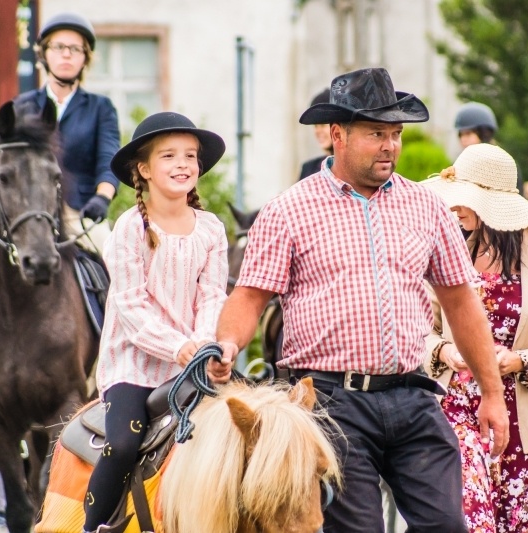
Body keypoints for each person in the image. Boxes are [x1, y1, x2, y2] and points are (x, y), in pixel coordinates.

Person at [211, 67, 509, 533]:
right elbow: (250, 297)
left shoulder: (427, 206)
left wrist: (492, 393)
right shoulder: (288, 210)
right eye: (376, 133)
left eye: (396, 133)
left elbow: (461, 301)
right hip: (330, 405)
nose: (390, 145)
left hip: (414, 397)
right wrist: (227, 344)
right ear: (337, 135)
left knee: (447, 525)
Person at [421, 144, 528, 531]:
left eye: (464, 199)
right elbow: (422, 330)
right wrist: (445, 352)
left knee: (514, 525)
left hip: (523, 414)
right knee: (471, 520)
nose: (455, 208)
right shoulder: (448, 251)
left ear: (490, 203)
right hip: (456, 408)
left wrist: (521, 361)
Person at [81, 112, 227, 533]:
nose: (183, 164)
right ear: (143, 170)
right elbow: (130, 307)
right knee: (124, 443)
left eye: (190, 156)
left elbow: (213, 296)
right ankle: (93, 526)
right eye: (169, 156)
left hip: (192, 363)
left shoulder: (212, 230)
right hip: (135, 365)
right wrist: (178, 347)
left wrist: (202, 346)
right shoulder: (128, 229)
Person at [16, 12, 120, 254]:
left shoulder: (100, 108)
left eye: (75, 49)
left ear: (85, 58)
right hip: (26, 213)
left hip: (78, 213)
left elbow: (109, 160)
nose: (66, 54)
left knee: (115, 264)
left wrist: (102, 198)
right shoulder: (22, 106)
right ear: (43, 53)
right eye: (59, 46)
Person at [454, 101, 524, 196]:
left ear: (484, 134)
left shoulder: (504, 164)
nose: (463, 139)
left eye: (468, 133)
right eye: (461, 134)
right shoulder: (459, 164)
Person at [298, 87, 333, 180]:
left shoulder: (351, 168)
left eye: (322, 125)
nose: (317, 131)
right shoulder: (308, 168)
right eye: (315, 126)